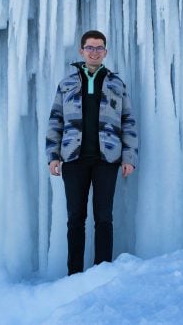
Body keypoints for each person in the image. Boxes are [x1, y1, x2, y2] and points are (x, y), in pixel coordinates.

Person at [46, 30, 138, 275]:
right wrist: (53, 155)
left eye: (99, 48)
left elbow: (128, 121)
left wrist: (129, 157)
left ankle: (102, 272)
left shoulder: (116, 84)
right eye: (90, 47)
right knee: (75, 218)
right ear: (81, 51)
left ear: (105, 52)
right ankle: (74, 274)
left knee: (104, 217)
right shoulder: (66, 84)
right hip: (73, 159)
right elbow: (55, 120)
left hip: (107, 160)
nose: (94, 52)